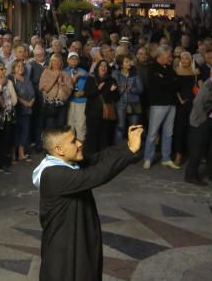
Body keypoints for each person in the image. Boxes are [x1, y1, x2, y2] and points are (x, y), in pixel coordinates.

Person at [34, 125, 143, 281]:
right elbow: (98, 174)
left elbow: (100, 158)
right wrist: (129, 151)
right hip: (64, 252)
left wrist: (127, 145)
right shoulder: (53, 175)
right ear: (59, 150)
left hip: (78, 242)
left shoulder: (67, 163)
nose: (79, 143)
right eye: (73, 141)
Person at [184, 66, 212, 185]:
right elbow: (197, 103)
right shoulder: (209, 86)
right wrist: (203, 119)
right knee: (197, 150)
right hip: (203, 123)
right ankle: (191, 176)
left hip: (210, 123)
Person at [143, 49, 179, 169]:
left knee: (169, 132)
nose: (170, 58)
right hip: (158, 104)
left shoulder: (169, 68)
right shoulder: (153, 68)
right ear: (161, 55)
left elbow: (175, 82)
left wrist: (166, 80)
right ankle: (148, 158)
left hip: (171, 104)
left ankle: (166, 158)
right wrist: (169, 81)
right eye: (168, 55)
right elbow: (159, 84)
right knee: (153, 132)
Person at [11, 59, 36, 161]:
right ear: (13, 68)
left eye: (22, 66)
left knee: (25, 132)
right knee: (16, 132)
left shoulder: (26, 79)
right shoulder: (12, 79)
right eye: (18, 66)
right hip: (17, 110)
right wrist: (24, 102)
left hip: (28, 110)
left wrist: (31, 102)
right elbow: (13, 94)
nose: (20, 68)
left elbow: (33, 93)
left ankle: (21, 154)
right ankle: (13, 155)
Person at [39, 53, 72, 129]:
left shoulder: (66, 74)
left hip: (62, 106)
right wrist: (55, 78)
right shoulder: (46, 72)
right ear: (51, 62)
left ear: (61, 62)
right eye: (54, 61)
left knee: (60, 128)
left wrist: (62, 84)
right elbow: (45, 90)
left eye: (58, 61)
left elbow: (69, 93)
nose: (56, 63)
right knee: (50, 128)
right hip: (50, 106)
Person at [115, 56, 143, 142]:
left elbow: (140, 89)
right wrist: (121, 89)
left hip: (134, 103)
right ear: (121, 65)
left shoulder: (135, 73)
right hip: (121, 103)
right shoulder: (116, 73)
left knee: (133, 128)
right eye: (126, 62)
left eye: (129, 61)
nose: (129, 63)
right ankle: (118, 149)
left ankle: (133, 149)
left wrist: (131, 89)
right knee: (121, 127)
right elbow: (114, 90)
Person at [65, 52, 89, 141]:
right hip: (69, 101)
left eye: (75, 58)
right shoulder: (64, 71)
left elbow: (89, 86)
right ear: (67, 60)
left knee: (81, 125)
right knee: (70, 125)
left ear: (78, 61)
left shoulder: (84, 72)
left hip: (81, 101)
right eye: (71, 58)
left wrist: (83, 92)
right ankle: (70, 148)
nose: (73, 60)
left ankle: (80, 150)